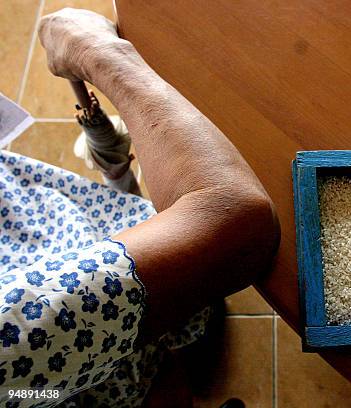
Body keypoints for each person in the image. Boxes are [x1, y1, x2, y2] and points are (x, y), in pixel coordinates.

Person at [0, 8, 280, 407]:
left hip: (55, 361)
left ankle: (160, 363)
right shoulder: (13, 342)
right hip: (63, 377)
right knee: (124, 375)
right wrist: (98, 53)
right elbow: (236, 221)